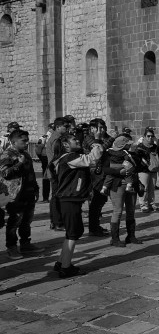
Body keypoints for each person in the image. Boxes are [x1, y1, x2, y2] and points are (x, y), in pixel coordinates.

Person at [51, 133, 104, 278]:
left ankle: (61, 262)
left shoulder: (67, 157)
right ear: (66, 145)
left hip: (70, 199)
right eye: (74, 139)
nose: (77, 140)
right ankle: (66, 268)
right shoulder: (69, 157)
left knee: (73, 232)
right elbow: (91, 159)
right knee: (73, 233)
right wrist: (95, 143)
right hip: (69, 199)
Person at [1, 130, 45, 259]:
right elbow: (5, 173)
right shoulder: (7, 154)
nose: (26, 143)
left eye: (27, 140)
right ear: (13, 142)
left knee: (27, 220)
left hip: (28, 192)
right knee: (15, 220)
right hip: (15, 194)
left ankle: (26, 244)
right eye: (23, 141)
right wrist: (19, 163)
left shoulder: (25, 154)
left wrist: (36, 188)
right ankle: (11, 247)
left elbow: (31, 173)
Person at [102, 135, 142, 246]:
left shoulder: (131, 154)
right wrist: (119, 171)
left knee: (131, 211)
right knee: (118, 211)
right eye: (127, 144)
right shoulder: (108, 154)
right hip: (117, 185)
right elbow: (105, 169)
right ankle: (115, 239)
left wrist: (134, 157)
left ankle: (131, 236)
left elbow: (139, 167)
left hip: (131, 184)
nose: (129, 146)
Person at [86, 119, 111, 237]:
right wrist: (110, 139)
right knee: (95, 201)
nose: (101, 130)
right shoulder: (89, 139)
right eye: (98, 128)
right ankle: (93, 227)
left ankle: (96, 225)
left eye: (103, 127)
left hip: (105, 173)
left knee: (101, 200)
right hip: (94, 175)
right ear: (92, 129)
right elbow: (100, 149)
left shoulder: (106, 137)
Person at [46, 117, 69, 230]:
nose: (67, 128)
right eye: (66, 126)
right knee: (57, 196)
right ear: (58, 127)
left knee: (56, 196)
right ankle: (57, 222)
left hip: (55, 171)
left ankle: (55, 221)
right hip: (56, 172)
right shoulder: (56, 139)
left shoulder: (56, 137)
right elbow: (57, 157)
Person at [137, 128, 159, 212]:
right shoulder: (140, 146)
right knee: (144, 188)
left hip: (153, 169)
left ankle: (151, 204)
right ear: (144, 136)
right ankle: (143, 205)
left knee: (152, 188)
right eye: (148, 136)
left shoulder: (155, 147)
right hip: (143, 170)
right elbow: (137, 158)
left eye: (152, 136)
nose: (150, 138)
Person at [35, 126, 52, 203]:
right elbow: (38, 150)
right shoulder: (44, 137)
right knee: (46, 178)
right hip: (46, 159)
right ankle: (45, 197)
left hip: (52, 158)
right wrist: (42, 159)